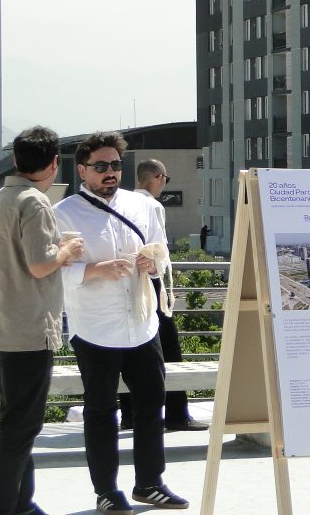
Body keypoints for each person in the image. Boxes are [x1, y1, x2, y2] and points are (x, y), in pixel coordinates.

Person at [54, 132, 188, 512]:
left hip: (142, 322)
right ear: (82, 170)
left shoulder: (141, 205)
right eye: (101, 166)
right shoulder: (64, 213)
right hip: (95, 327)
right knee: (100, 412)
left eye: (115, 165)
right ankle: (106, 492)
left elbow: (162, 251)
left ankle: (149, 483)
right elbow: (51, 273)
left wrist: (153, 262)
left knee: (151, 405)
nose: (110, 172)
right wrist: (96, 270)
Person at [0, 126, 83, 515]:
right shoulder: (35, 203)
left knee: (19, 424)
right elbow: (40, 265)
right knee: (18, 431)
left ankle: (23, 503)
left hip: (1, 325)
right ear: (54, 162)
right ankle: (4, 509)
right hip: (28, 330)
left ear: (17, 159)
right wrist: (67, 249)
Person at [119, 159, 207, 432]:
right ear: (157, 178)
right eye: (165, 180)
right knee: (168, 346)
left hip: (126, 283)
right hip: (152, 282)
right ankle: (177, 413)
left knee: (127, 345)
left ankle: (129, 413)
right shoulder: (153, 205)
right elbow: (161, 250)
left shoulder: (123, 201)